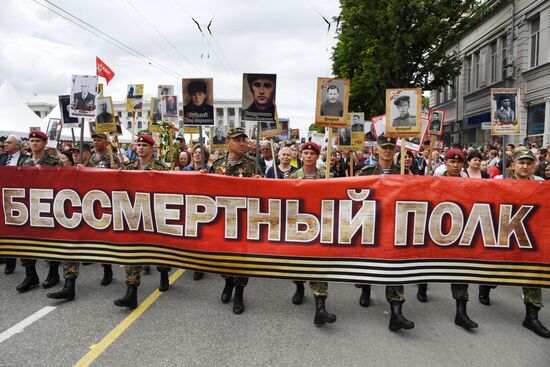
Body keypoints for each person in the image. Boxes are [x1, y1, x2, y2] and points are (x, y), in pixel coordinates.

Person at [356, 135, 415, 331]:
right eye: (384, 148)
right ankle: (365, 288)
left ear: (396, 151)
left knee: (395, 265)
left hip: (395, 224)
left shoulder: (405, 173)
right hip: (371, 223)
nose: (388, 151)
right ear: (377, 150)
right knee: (367, 260)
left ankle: (396, 313)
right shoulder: (367, 172)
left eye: (391, 148)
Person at [114, 134, 172, 310]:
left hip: (156, 213)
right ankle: (131, 291)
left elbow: (172, 187)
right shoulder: (129, 168)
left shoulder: (162, 168)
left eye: (144, 145)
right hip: (135, 214)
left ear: (152, 148)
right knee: (132, 251)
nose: (140, 148)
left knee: (160, 249)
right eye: (138, 145)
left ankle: (163, 273)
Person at [209, 128, 259, 314]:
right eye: (237, 140)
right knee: (223, 255)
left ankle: (239, 291)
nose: (241, 143)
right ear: (228, 142)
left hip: (243, 218)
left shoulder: (252, 164)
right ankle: (228, 282)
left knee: (242, 257)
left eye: (243, 140)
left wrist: (259, 182)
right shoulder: (216, 165)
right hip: (221, 218)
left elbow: (264, 189)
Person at [287, 142, 337, 326]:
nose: (308, 156)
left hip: (321, 227)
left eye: (312, 153)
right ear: (301, 156)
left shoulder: (327, 176)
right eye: (305, 153)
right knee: (298, 265)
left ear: (317, 157)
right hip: (299, 228)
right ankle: (299, 286)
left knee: (318, 266)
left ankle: (320, 308)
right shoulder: (292, 177)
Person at [16, 131, 61, 293]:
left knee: (50, 240)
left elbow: (63, 182)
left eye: (37, 141)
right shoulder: (25, 161)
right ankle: (31, 275)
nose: (34, 143)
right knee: (26, 240)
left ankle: (53, 272)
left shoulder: (54, 162)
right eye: (31, 140)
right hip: (29, 205)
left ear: (44, 143)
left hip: (49, 204)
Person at [440, 148, 480, 330]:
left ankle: (461, 312)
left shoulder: (470, 184)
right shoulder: (433, 181)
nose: (455, 165)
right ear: (445, 163)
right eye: (451, 162)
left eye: (458, 162)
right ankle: (422, 287)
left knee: (460, 270)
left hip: (460, 231)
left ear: (463, 164)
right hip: (434, 230)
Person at [0, 135, 28, 275]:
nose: (5, 144)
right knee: (6, 228)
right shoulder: (2, 158)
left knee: (18, 228)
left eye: (9, 142)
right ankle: (9, 259)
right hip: (3, 197)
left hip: (19, 197)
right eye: (5, 142)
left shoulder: (25, 159)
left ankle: (23, 258)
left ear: (17, 145)